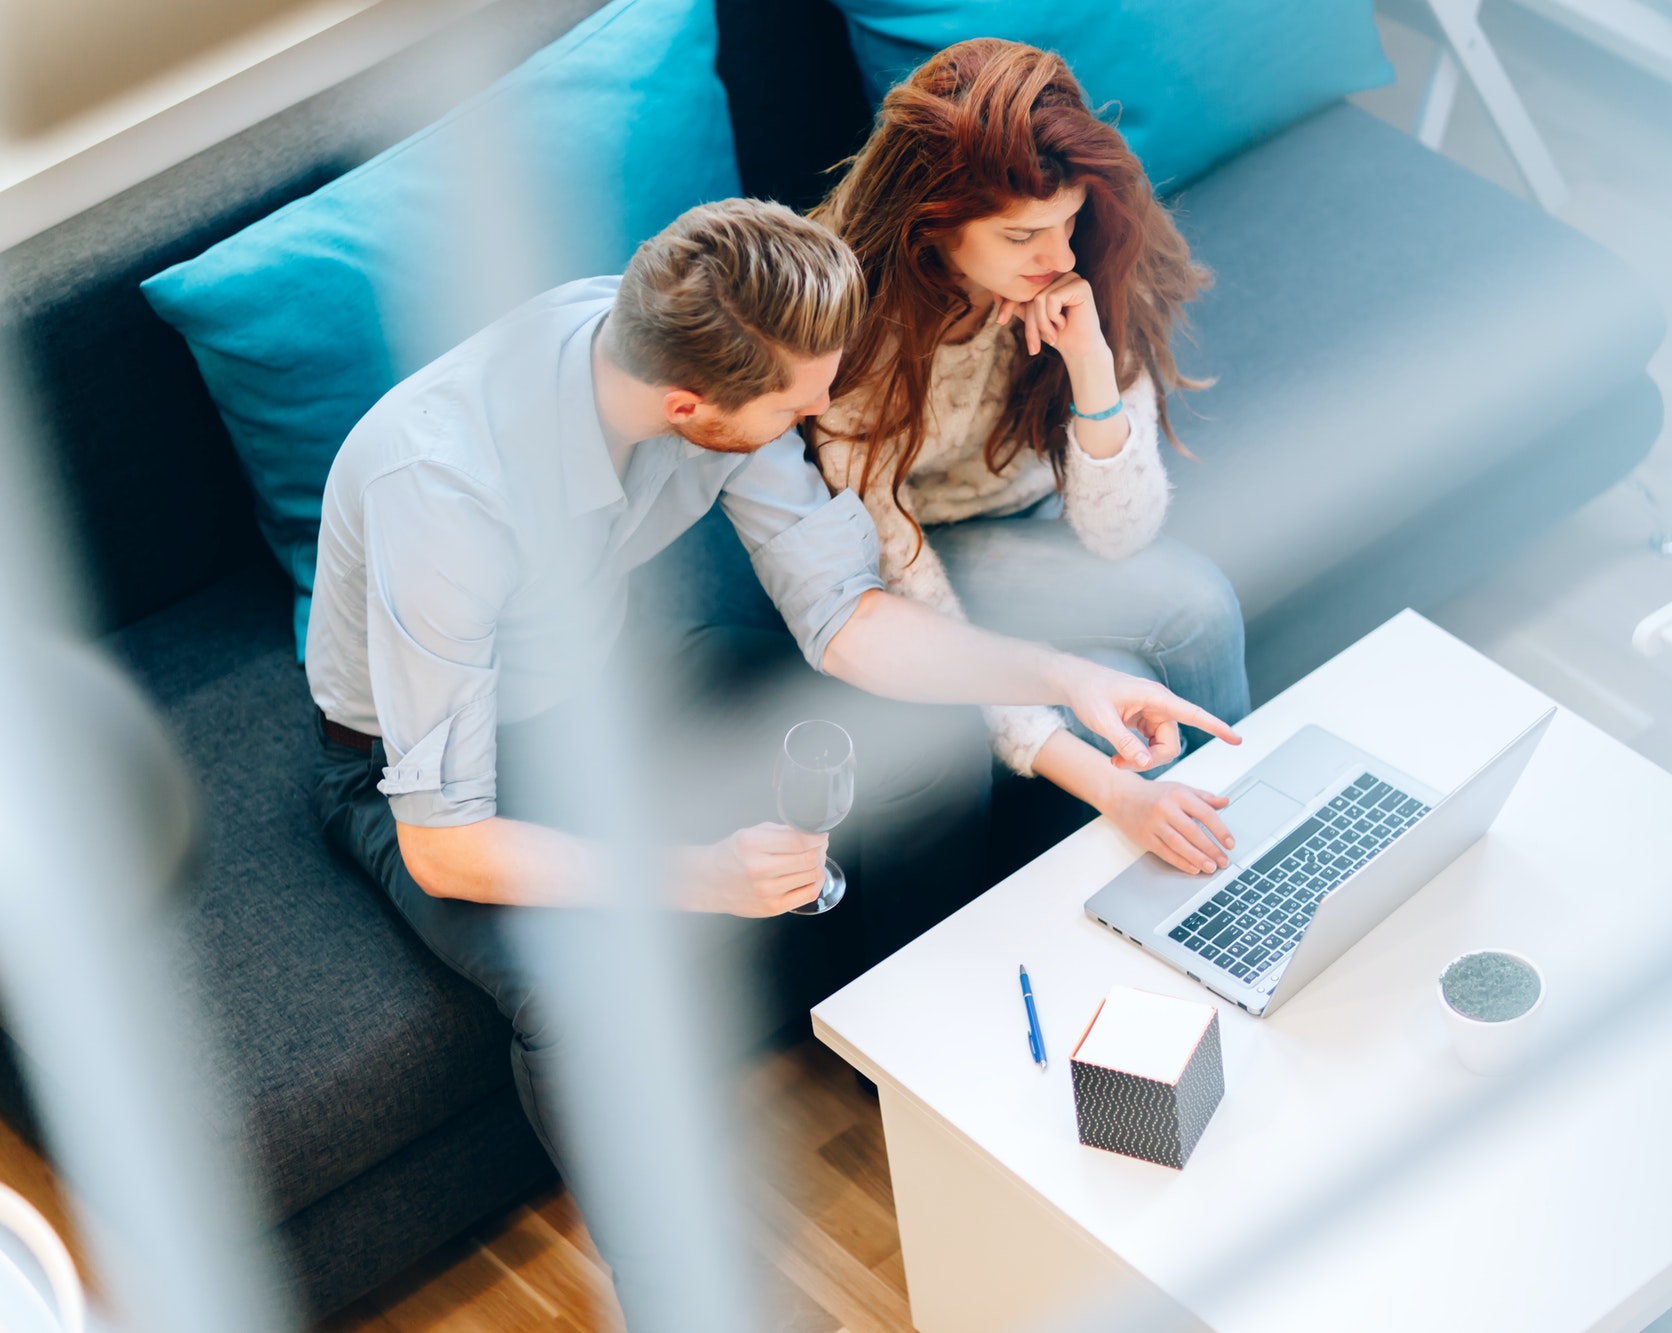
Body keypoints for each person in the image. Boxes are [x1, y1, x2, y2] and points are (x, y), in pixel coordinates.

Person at [304, 198, 1238, 1325]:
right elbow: (444, 845)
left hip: (607, 684)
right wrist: (699, 874)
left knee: (925, 751)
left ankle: (902, 1069)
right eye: (800, 405)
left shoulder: (681, 342)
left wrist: (1063, 677)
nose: (825, 411)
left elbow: (842, 613)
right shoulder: (443, 491)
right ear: (690, 409)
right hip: (432, 768)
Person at [809, 38, 1254, 879]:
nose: (1058, 257)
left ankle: (1230, 848)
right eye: (1020, 236)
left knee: (1196, 605)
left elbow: (1119, 535)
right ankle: (1188, 864)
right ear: (932, 225)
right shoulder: (847, 330)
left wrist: (1091, 366)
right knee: (1103, 714)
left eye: (1066, 221)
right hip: (917, 547)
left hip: (1042, 511)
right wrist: (1082, 767)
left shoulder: (1091, 263)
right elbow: (902, 582)